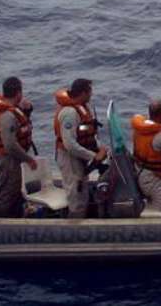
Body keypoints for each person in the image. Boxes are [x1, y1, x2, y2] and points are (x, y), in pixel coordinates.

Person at [54, 78, 107, 218]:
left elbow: (88, 132)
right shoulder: (70, 113)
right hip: (69, 158)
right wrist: (93, 156)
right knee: (76, 195)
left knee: (82, 193)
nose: (91, 95)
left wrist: (99, 148)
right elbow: (69, 144)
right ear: (83, 93)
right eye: (90, 92)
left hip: (79, 158)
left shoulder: (83, 109)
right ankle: (73, 227)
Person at [0, 77, 38, 217]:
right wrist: (28, 159)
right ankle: (2, 224)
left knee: (15, 191)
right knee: (8, 194)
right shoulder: (7, 116)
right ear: (18, 93)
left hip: (13, 158)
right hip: (8, 160)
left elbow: (21, 126)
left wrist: (27, 112)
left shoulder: (13, 110)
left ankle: (15, 216)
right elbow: (10, 146)